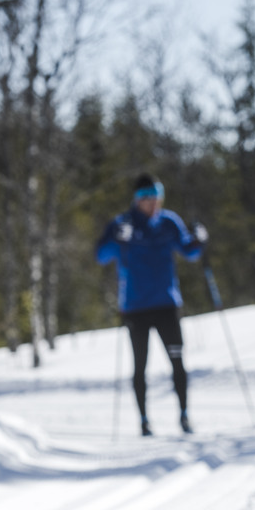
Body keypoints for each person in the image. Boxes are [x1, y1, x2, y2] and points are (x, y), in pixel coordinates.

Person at [96, 173, 208, 436]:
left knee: (177, 362)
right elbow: (101, 256)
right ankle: (144, 420)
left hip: (167, 305)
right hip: (135, 308)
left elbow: (189, 252)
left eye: (157, 197)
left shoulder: (169, 222)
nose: (153, 203)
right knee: (140, 366)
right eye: (148, 198)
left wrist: (199, 240)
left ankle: (184, 415)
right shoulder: (122, 224)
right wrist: (117, 239)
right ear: (138, 200)